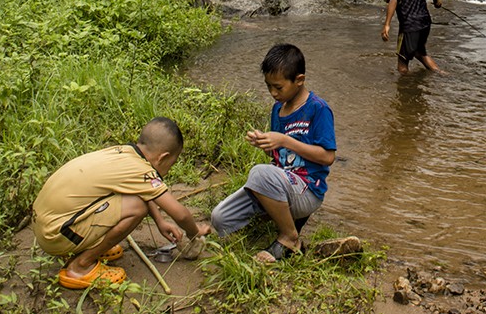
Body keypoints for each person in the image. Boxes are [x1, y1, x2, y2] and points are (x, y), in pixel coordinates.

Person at [31, 117, 211, 289]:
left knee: (133, 201)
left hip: (47, 224)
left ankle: (88, 246)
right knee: (137, 208)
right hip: (56, 235)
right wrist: (195, 232)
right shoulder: (141, 170)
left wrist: (160, 221)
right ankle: (80, 266)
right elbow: (180, 214)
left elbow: (139, 190)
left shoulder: (125, 152)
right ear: (163, 157)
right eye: (171, 164)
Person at [210, 43, 336, 263]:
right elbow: (277, 159)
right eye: (269, 86)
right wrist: (266, 143)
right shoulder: (278, 109)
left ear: (299, 80)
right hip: (284, 185)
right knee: (220, 219)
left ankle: (290, 237)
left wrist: (285, 140)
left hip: (308, 191)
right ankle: (276, 216)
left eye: (278, 87)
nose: (273, 93)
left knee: (259, 174)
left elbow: (327, 157)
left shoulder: (318, 109)